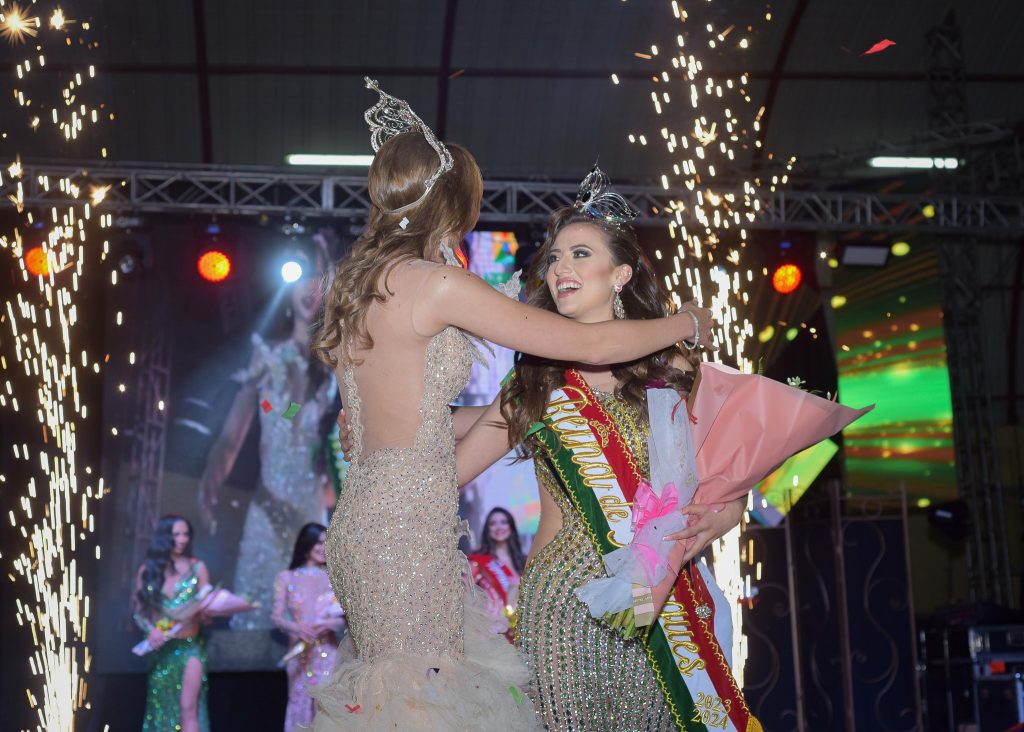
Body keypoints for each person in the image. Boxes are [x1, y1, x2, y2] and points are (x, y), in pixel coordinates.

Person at [306, 78, 713, 731]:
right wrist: (685, 323)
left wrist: (482, 417)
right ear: (454, 208)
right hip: (409, 525)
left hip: (369, 514)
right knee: (422, 705)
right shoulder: (437, 283)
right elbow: (586, 343)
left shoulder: (361, 284)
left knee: (400, 697)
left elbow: (409, 414)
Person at [197, 236, 337, 630]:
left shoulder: (333, 363)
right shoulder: (269, 356)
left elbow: (318, 431)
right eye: (303, 276)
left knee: (312, 618)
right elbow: (237, 433)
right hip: (268, 503)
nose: (309, 288)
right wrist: (210, 482)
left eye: (319, 279)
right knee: (257, 613)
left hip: (310, 507)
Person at [132, 515, 211, 732]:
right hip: (161, 650)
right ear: (164, 537)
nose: (182, 539)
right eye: (177, 534)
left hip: (190, 647)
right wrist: (151, 631)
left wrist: (205, 613)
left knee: (188, 707)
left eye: (186, 534)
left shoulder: (198, 568)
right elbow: (138, 612)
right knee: (162, 710)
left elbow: (207, 609)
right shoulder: (148, 571)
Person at [272, 523, 345, 732]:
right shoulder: (286, 577)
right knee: (301, 707)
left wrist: (327, 624)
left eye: (326, 543)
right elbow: (276, 618)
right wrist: (298, 628)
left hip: (328, 651)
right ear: (307, 543)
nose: (323, 547)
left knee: (326, 707)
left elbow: (343, 619)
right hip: (300, 652)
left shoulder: (333, 577)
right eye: (319, 542)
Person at [467, 507, 526, 642]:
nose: (499, 527)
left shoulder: (524, 561)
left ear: (511, 526)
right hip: (493, 633)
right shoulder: (478, 561)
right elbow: (464, 595)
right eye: (493, 523)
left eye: (504, 522)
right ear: (487, 529)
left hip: (521, 632)